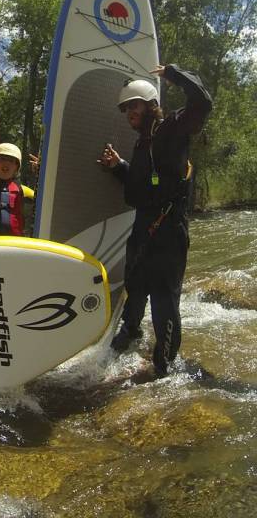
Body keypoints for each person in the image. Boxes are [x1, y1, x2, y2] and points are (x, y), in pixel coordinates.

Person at [98, 64, 212, 377]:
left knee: (164, 302)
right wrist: (119, 167)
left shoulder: (173, 127)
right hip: (143, 228)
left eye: (133, 106)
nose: (129, 113)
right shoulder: (142, 144)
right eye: (125, 109)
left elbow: (202, 103)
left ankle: (165, 365)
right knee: (135, 288)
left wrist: (174, 74)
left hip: (170, 231)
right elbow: (142, 188)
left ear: (150, 105)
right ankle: (130, 333)